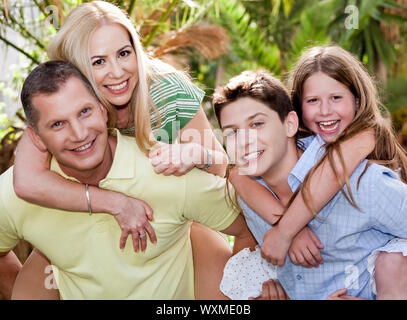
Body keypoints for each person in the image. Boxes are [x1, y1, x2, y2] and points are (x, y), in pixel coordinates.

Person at [11, 1, 231, 299]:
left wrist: (197, 155)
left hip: (172, 223)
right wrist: (115, 202)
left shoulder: (166, 90)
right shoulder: (61, 105)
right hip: (86, 223)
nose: (117, 72)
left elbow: (222, 170)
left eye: (124, 54)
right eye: (98, 61)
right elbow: (26, 182)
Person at [213, 66, 407, 300]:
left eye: (257, 124)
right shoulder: (252, 198)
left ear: (290, 124)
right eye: (232, 132)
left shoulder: (362, 184)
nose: (244, 141)